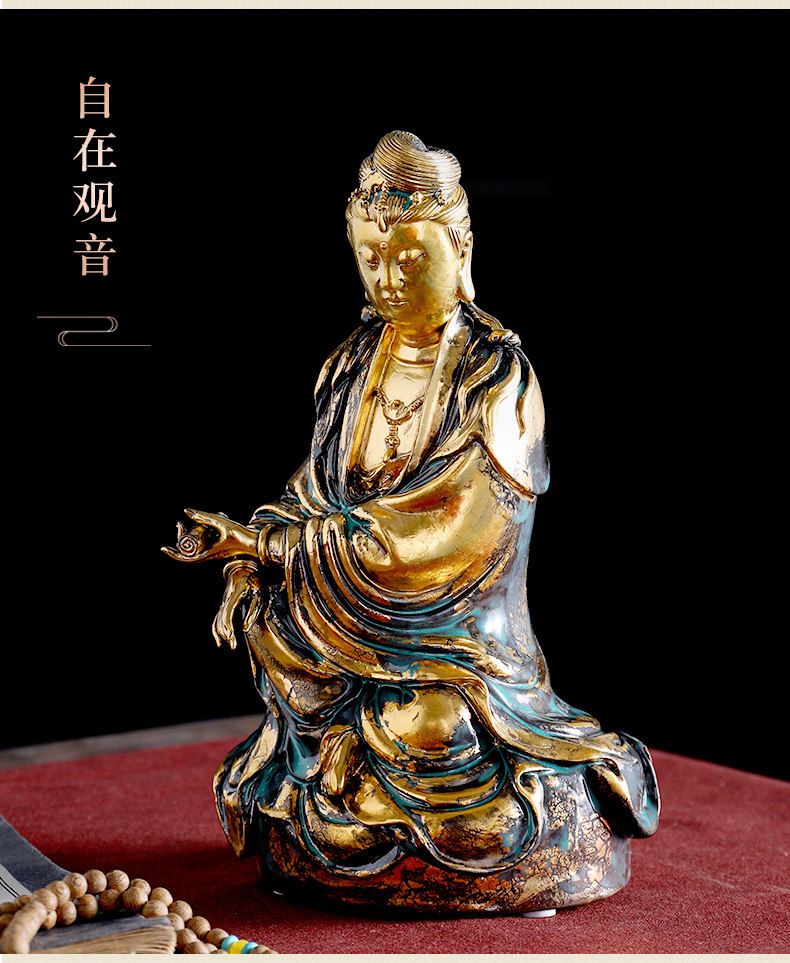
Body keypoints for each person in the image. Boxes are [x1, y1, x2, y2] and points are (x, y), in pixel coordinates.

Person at [164, 131, 659, 913]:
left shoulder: (495, 379)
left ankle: (362, 781)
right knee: (272, 629)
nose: (387, 279)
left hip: (457, 645)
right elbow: (312, 491)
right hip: (345, 631)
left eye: (409, 259)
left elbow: (449, 539)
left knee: (427, 724)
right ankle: (345, 764)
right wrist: (253, 558)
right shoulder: (351, 363)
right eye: (370, 257)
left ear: (460, 251)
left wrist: (270, 544)